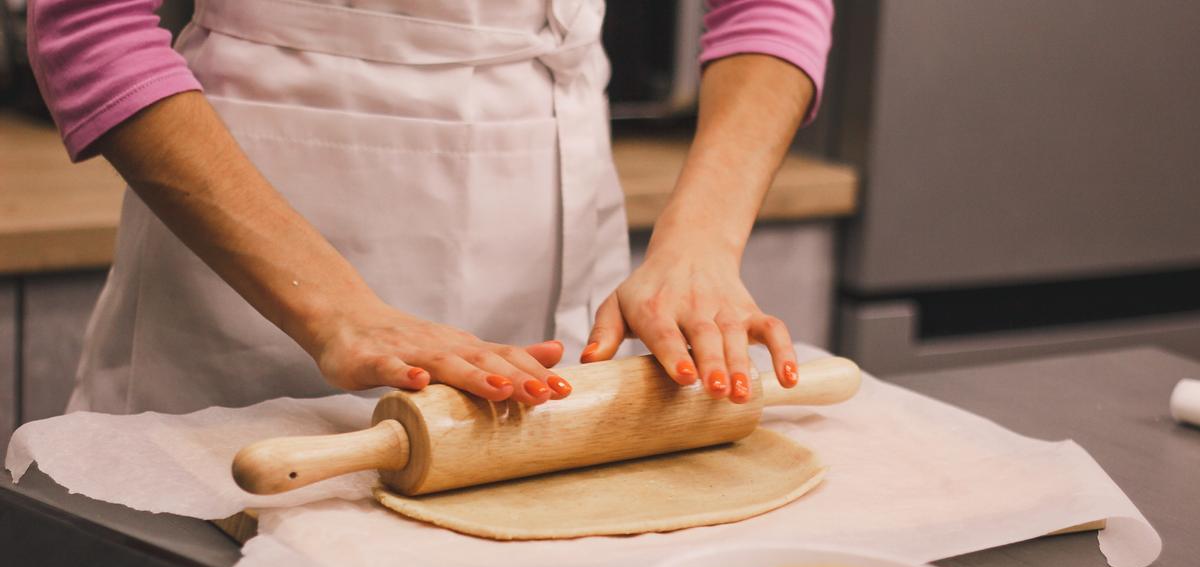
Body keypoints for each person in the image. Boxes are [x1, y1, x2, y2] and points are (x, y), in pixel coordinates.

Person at [28, 0, 834, 415]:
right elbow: (89, 26)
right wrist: (338, 312)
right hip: (257, 288)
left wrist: (699, 242)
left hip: (562, 238)